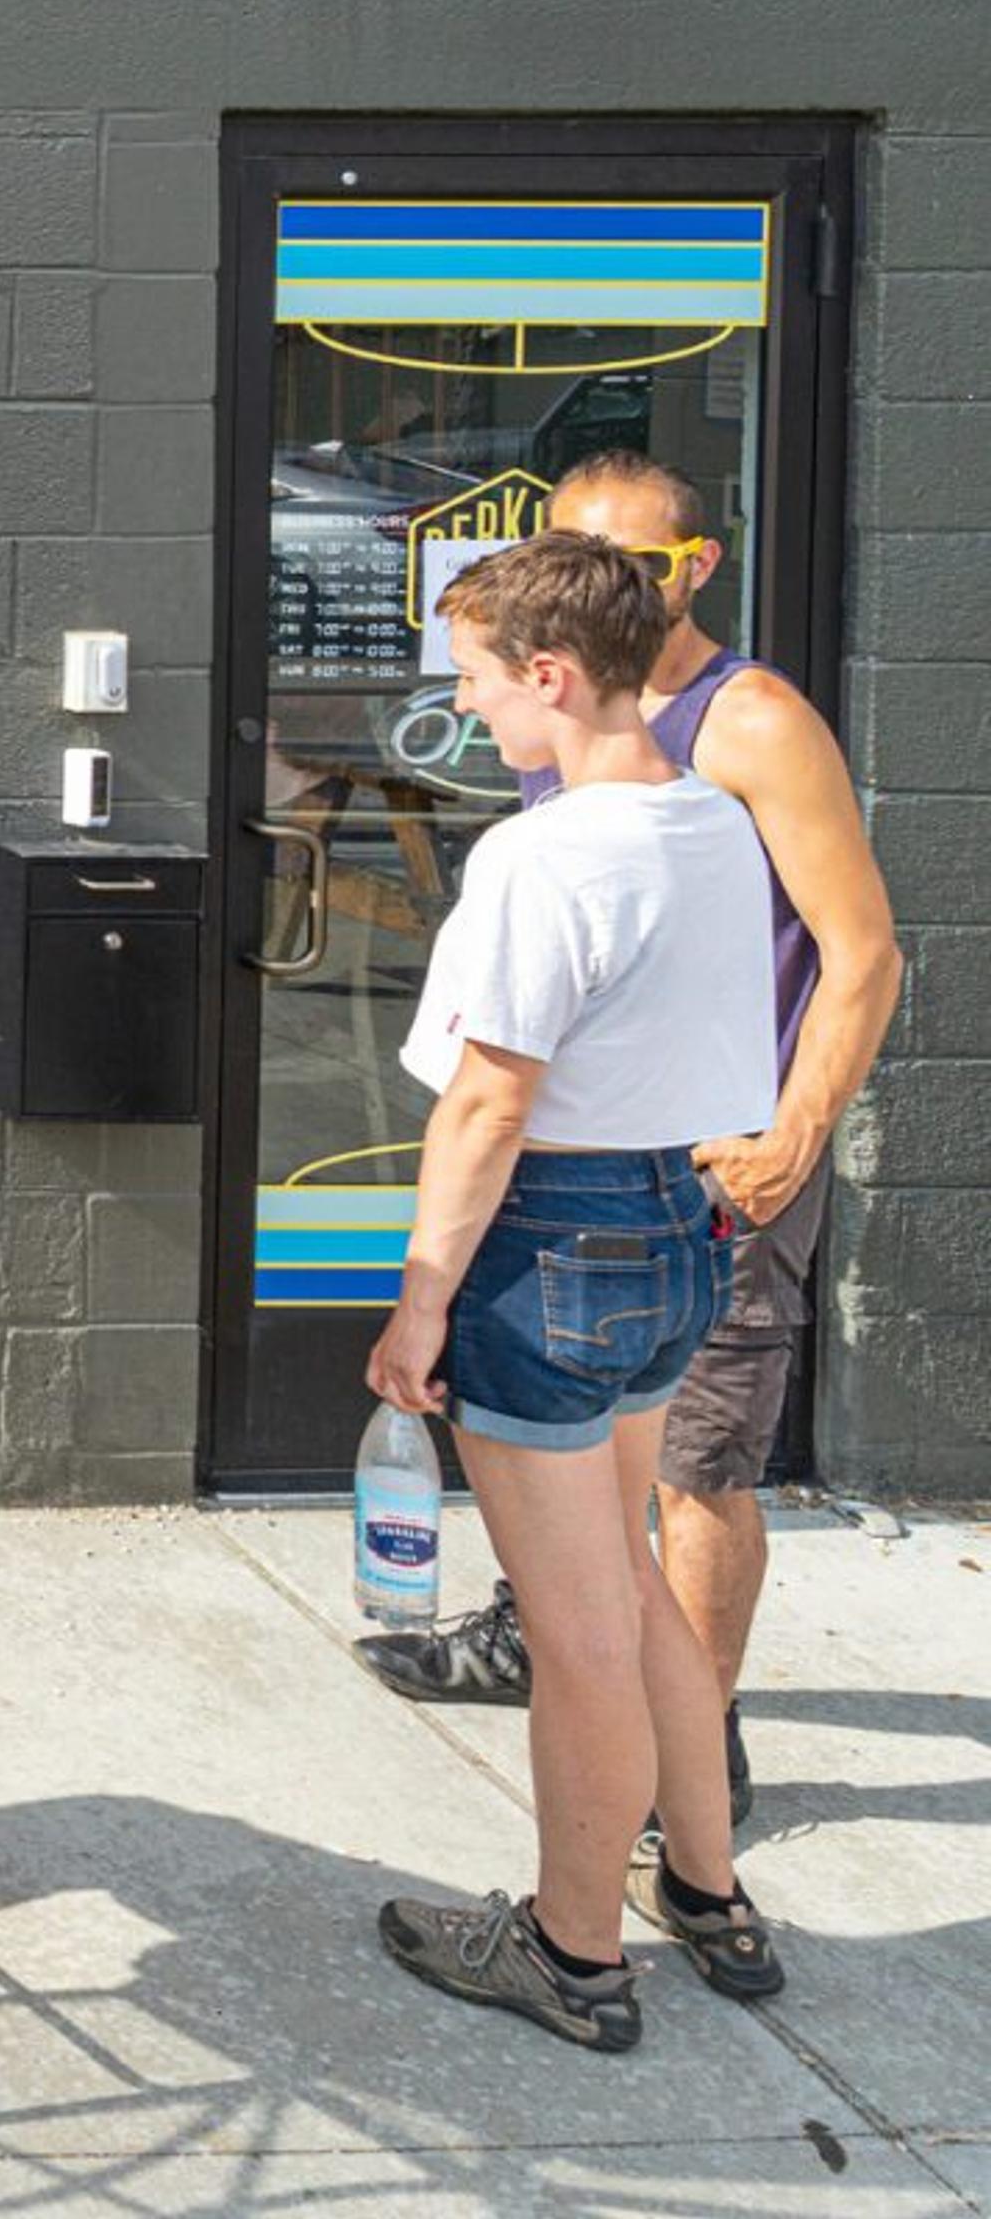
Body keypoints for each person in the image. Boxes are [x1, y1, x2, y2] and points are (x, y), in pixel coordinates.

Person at [360, 453, 903, 1834]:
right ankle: (580, 1694)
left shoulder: (749, 723)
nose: (599, 576)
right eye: (569, 548)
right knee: (597, 1506)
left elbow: (862, 954)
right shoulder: (608, 748)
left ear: (693, 568)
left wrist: (793, 1134)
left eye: (629, 557)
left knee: (696, 1475)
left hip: (710, 1163)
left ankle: (682, 1772)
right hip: (626, 1171)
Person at [366, 532, 779, 2053]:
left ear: (551, 674)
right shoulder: (717, 822)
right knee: (629, 1577)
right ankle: (713, 1889)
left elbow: (487, 1102)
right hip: (678, 1222)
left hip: (554, 1240)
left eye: (477, 680)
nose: (471, 710)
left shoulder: (542, 855)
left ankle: (573, 1949)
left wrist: (420, 1304)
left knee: (578, 1630)